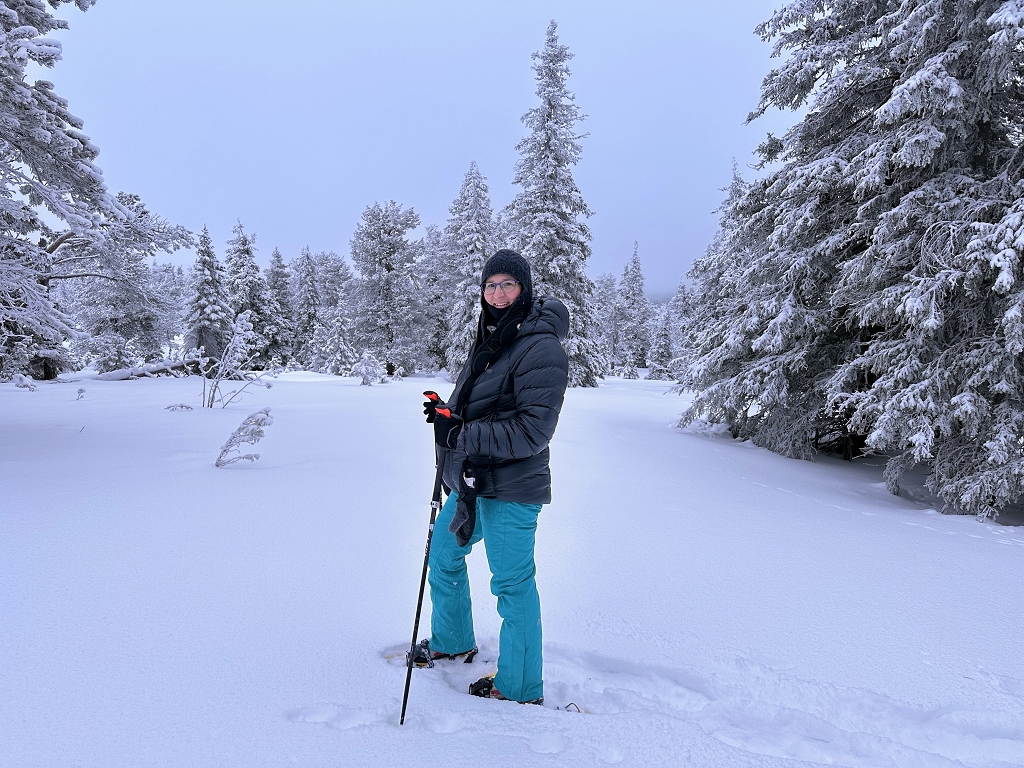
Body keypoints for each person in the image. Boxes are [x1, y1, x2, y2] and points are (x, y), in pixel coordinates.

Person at [415, 249, 569, 705]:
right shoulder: (494, 336)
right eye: (490, 285)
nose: (498, 294)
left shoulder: (540, 346)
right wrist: (447, 413)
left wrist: (462, 433)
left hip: (512, 487)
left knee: (511, 586)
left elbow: (532, 431)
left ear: (525, 289)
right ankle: (453, 641)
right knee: (443, 554)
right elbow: (482, 403)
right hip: (474, 482)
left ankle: (519, 687)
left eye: (508, 284)